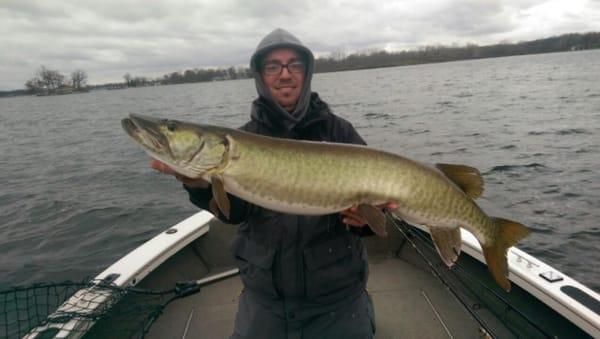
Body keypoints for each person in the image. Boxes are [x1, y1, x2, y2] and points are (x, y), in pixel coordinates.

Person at [152, 28, 395, 339]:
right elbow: (235, 213)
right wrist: (198, 186)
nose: (284, 74)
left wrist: (364, 221)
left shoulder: (340, 133)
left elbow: (375, 216)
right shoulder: (242, 139)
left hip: (336, 298)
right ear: (260, 75)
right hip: (266, 300)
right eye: (273, 66)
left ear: (306, 73)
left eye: (294, 65)